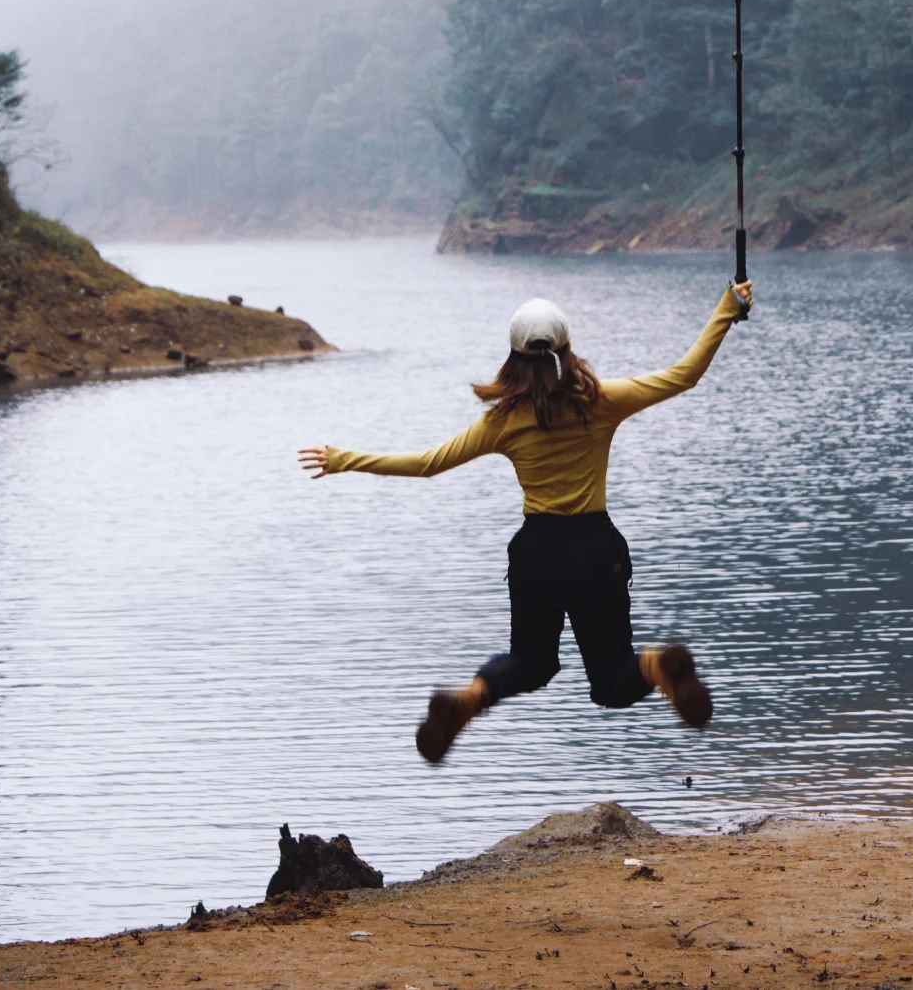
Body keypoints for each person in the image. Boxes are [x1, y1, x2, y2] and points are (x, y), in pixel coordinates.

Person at [299, 277, 753, 764]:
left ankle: (468, 699)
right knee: (612, 681)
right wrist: (727, 308)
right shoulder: (601, 400)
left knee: (531, 664)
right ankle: (659, 666)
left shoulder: (502, 421)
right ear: (568, 349)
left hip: (537, 555)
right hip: (596, 549)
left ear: (513, 358)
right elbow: (685, 374)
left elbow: (427, 463)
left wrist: (345, 459)